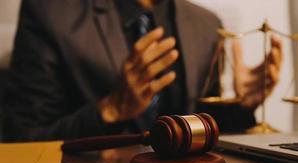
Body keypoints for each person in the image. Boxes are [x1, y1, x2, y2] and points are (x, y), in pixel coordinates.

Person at [2, 0, 282, 141]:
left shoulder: (206, 25)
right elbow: (23, 138)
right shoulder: (51, 13)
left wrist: (241, 108)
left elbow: (198, 127)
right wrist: (110, 109)